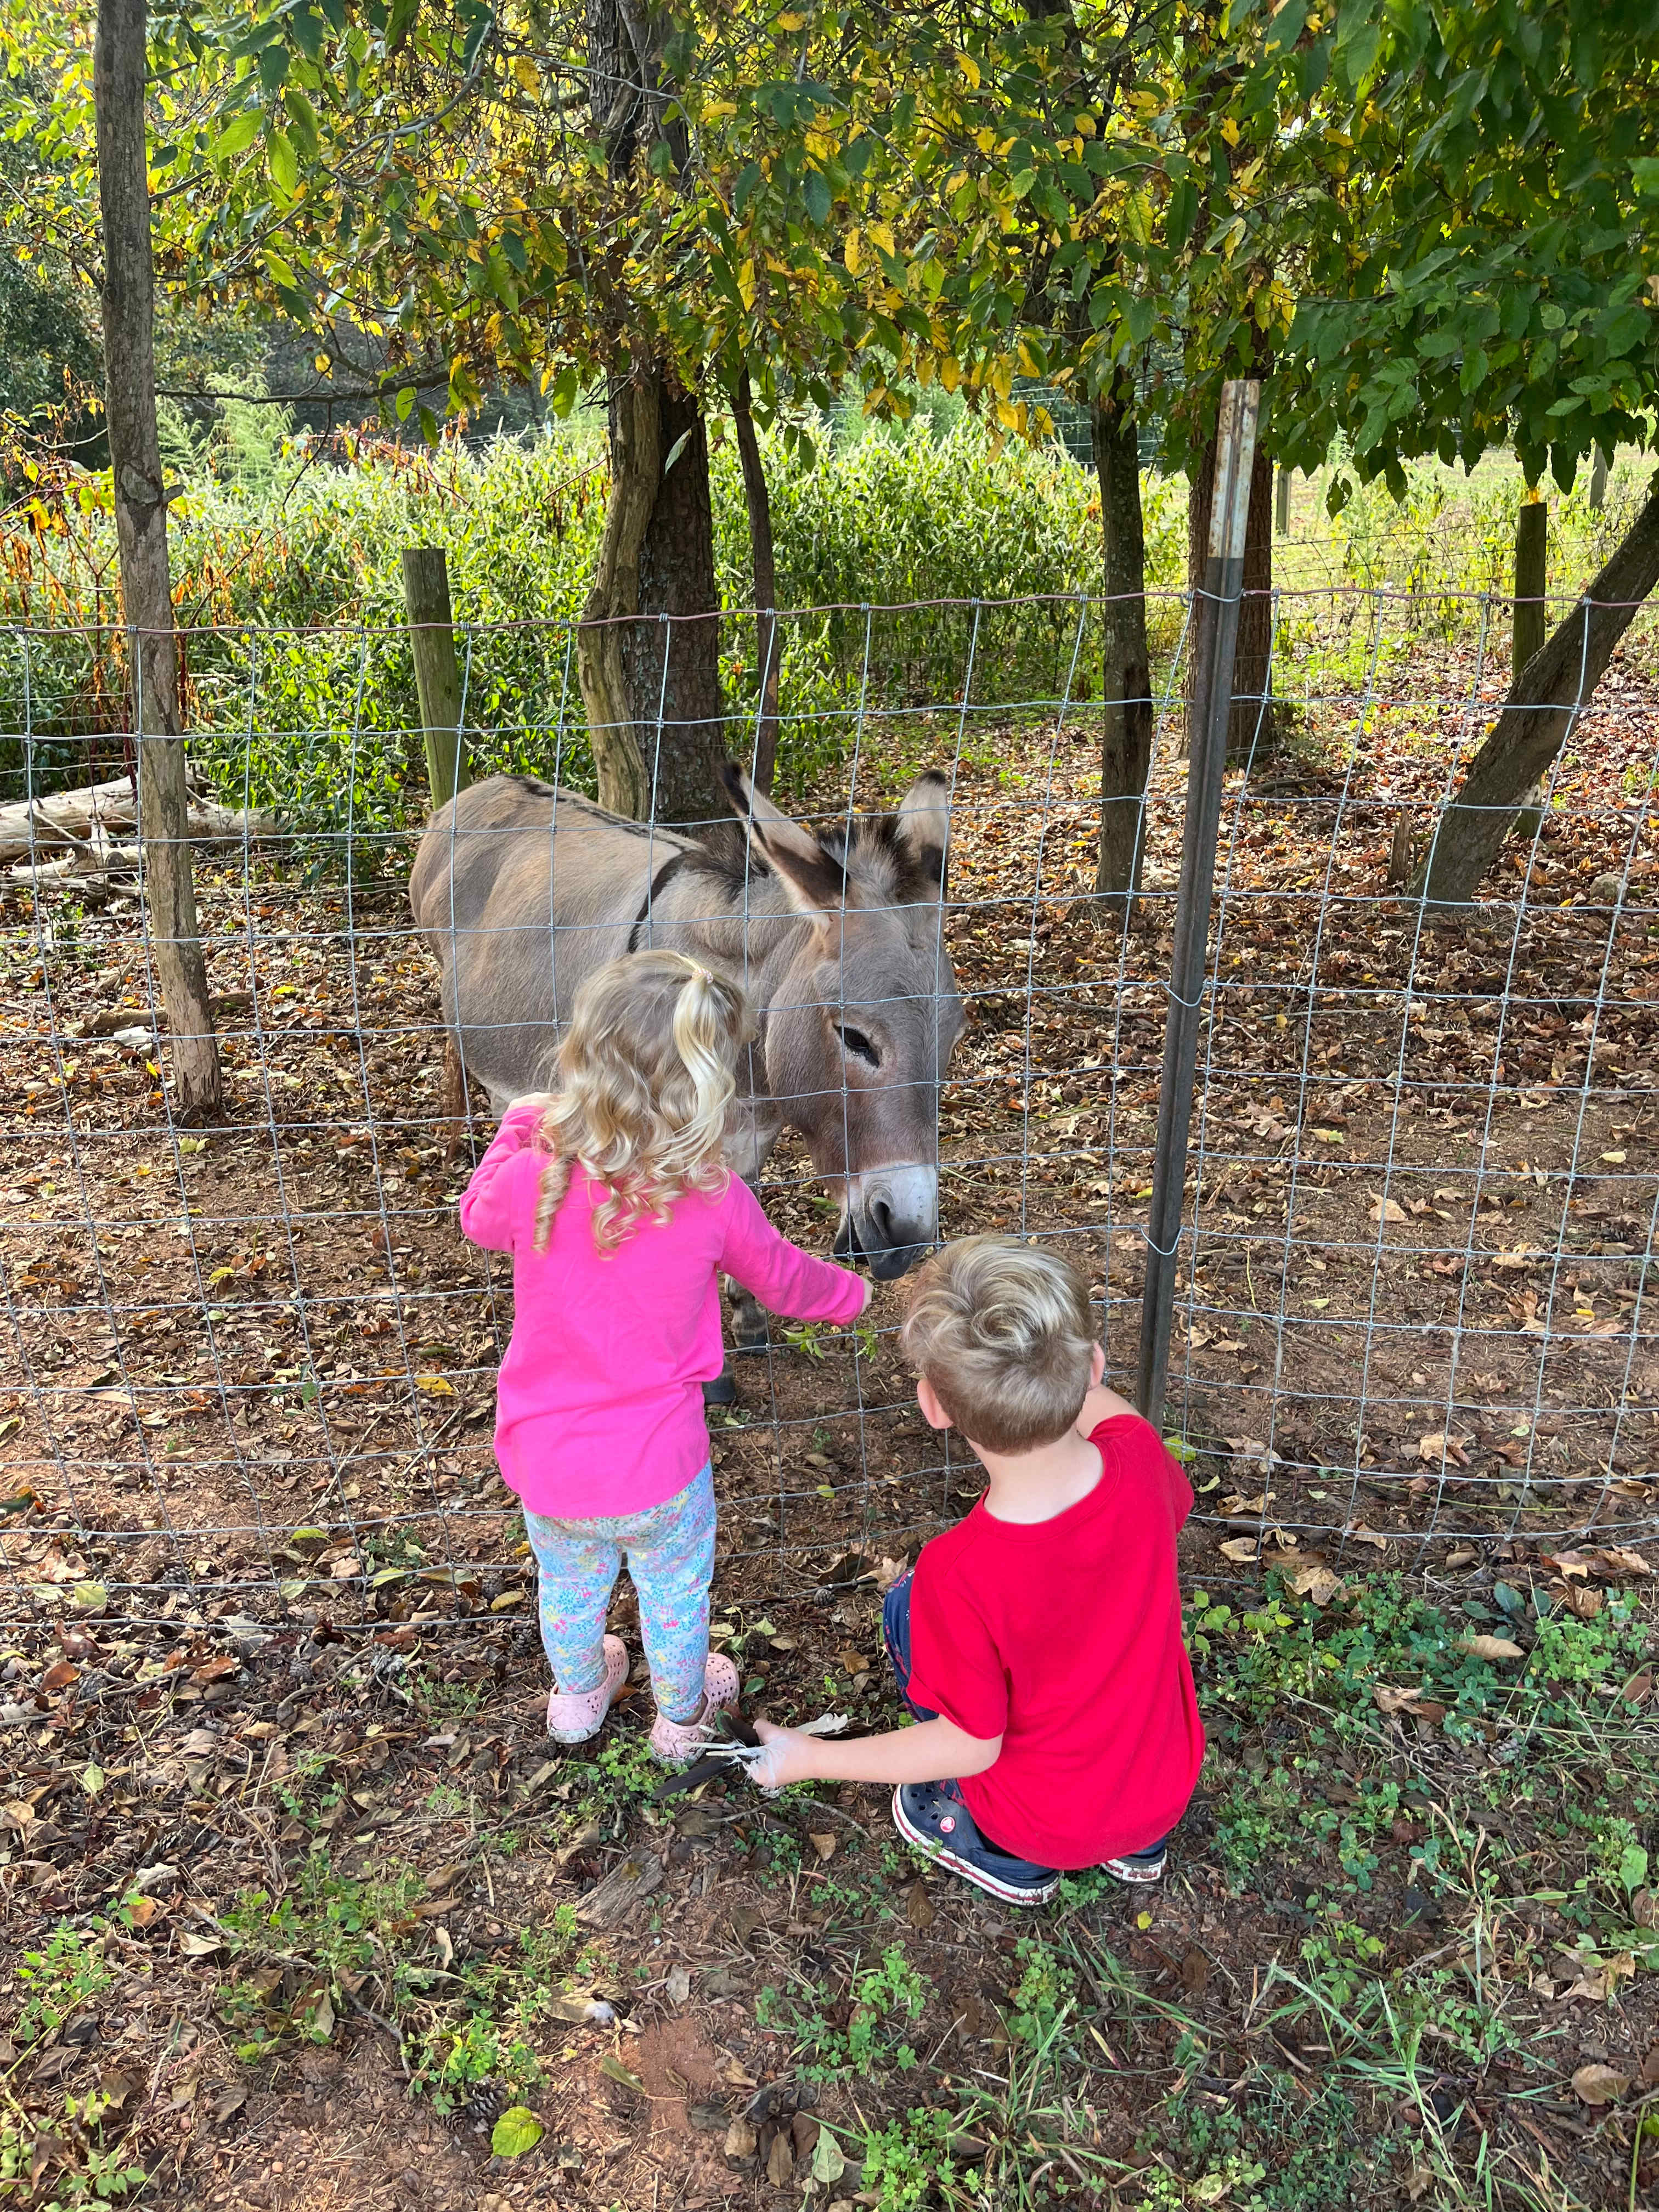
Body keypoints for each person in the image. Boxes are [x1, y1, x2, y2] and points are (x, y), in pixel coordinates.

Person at [459, 950, 866, 1764]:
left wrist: (519, 1124)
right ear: (705, 1085)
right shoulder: (714, 1196)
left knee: (569, 1587)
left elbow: (476, 1215)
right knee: (676, 1597)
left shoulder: (536, 1177)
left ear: (584, 1058)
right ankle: (680, 1720)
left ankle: (578, 1700)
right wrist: (859, 1297)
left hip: (549, 1463)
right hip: (661, 1471)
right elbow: (787, 1282)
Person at [747, 1235, 1203, 1904]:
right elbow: (1107, 1413)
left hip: (1045, 1825)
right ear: (1096, 1366)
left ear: (933, 1406)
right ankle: (1138, 1846)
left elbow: (973, 1745)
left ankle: (1000, 1853)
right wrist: (1060, 1368)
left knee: (905, 1607)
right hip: (1162, 1786)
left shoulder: (957, 1573)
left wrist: (809, 1758)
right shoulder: (1137, 1458)